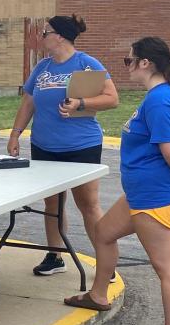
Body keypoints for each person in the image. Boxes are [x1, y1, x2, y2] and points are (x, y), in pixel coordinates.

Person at [64, 37, 170, 325]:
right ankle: (99, 295)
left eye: (129, 61)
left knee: (167, 269)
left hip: (154, 199)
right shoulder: (166, 97)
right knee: (103, 232)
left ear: (145, 63)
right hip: (142, 195)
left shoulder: (160, 100)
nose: (126, 66)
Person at [7, 14, 119, 276]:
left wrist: (82, 103)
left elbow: (112, 98)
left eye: (45, 32)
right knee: (52, 205)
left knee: (87, 205)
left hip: (81, 145)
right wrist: (15, 135)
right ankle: (54, 256)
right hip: (45, 145)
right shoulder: (43, 67)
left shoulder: (86, 64)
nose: (41, 36)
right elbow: (28, 103)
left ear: (59, 36)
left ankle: (106, 263)